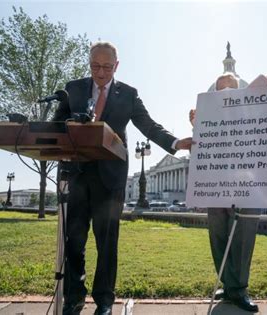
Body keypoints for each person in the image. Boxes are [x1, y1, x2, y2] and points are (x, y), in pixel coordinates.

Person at [53, 41, 192, 315]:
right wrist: (68, 125)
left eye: (106, 67)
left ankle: (104, 301)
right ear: (89, 63)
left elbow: (149, 125)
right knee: (74, 240)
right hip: (76, 174)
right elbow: (57, 123)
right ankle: (73, 299)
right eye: (95, 66)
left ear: (116, 66)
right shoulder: (73, 88)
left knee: (107, 243)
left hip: (110, 177)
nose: (100, 72)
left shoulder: (128, 94)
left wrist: (176, 143)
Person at [189, 72, 267, 313]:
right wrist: (196, 125)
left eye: (231, 88)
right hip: (215, 183)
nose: (226, 93)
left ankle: (239, 289)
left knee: (242, 237)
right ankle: (228, 284)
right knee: (218, 236)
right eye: (221, 90)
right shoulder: (209, 114)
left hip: (249, 183)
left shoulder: (253, 111)